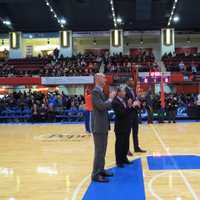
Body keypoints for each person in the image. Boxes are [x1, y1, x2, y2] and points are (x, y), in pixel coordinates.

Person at [91, 73, 116, 183]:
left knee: (103, 150)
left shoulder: (100, 91)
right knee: (99, 151)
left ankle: (101, 169)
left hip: (103, 126)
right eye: (103, 77)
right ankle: (95, 174)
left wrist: (109, 101)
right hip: (99, 126)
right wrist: (110, 99)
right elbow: (101, 106)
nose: (105, 79)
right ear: (97, 79)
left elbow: (107, 106)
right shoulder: (95, 92)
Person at [112, 88, 133, 168]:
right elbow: (121, 114)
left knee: (126, 143)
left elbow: (128, 112)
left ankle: (124, 158)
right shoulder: (115, 102)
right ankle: (119, 161)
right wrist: (129, 106)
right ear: (118, 92)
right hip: (120, 126)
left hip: (127, 125)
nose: (125, 93)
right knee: (119, 144)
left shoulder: (124, 100)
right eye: (123, 91)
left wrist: (131, 106)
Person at [125, 80, 146, 154]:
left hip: (134, 113)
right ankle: (126, 149)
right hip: (129, 114)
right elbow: (126, 101)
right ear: (127, 82)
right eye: (131, 81)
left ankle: (136, 147)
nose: (133, 82)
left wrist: (138, 102)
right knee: (127, 133)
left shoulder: (133, 90)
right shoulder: (125, 90)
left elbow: (134, 99)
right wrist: (132, 103)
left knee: (135, 132)